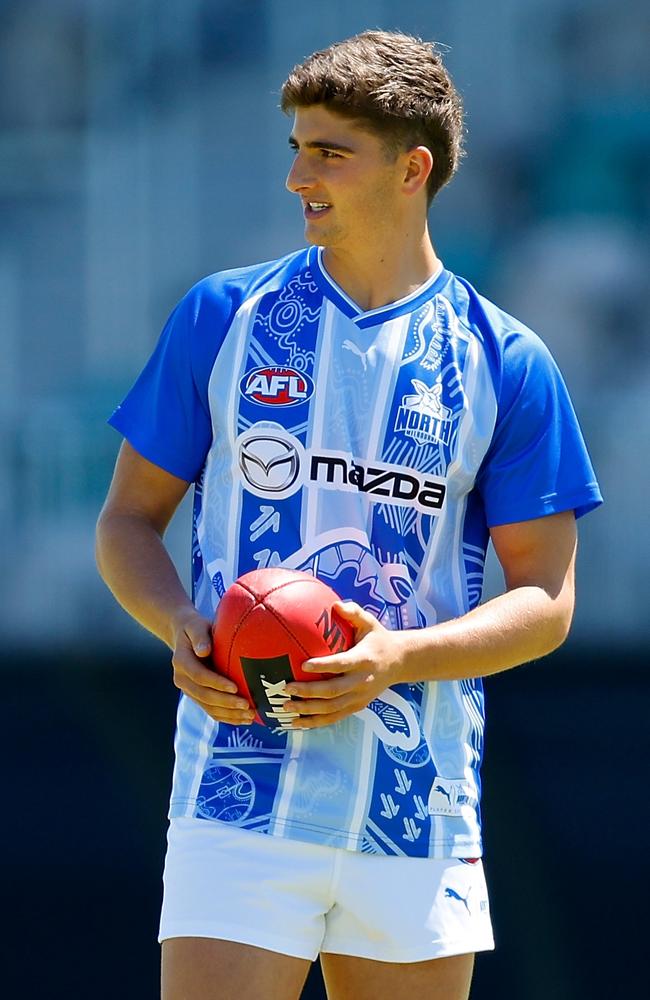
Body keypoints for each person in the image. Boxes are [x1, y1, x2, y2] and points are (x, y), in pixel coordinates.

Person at [96, 29, 602, 1000]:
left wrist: (393, 659)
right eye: (295, 145)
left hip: (415, 810)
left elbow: (544, 598)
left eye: (327, 151)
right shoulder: (219, 317)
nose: (295, 176)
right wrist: (178, 623)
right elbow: (126, 523)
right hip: (237, 793)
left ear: (411, 168)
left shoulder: (505, 360)